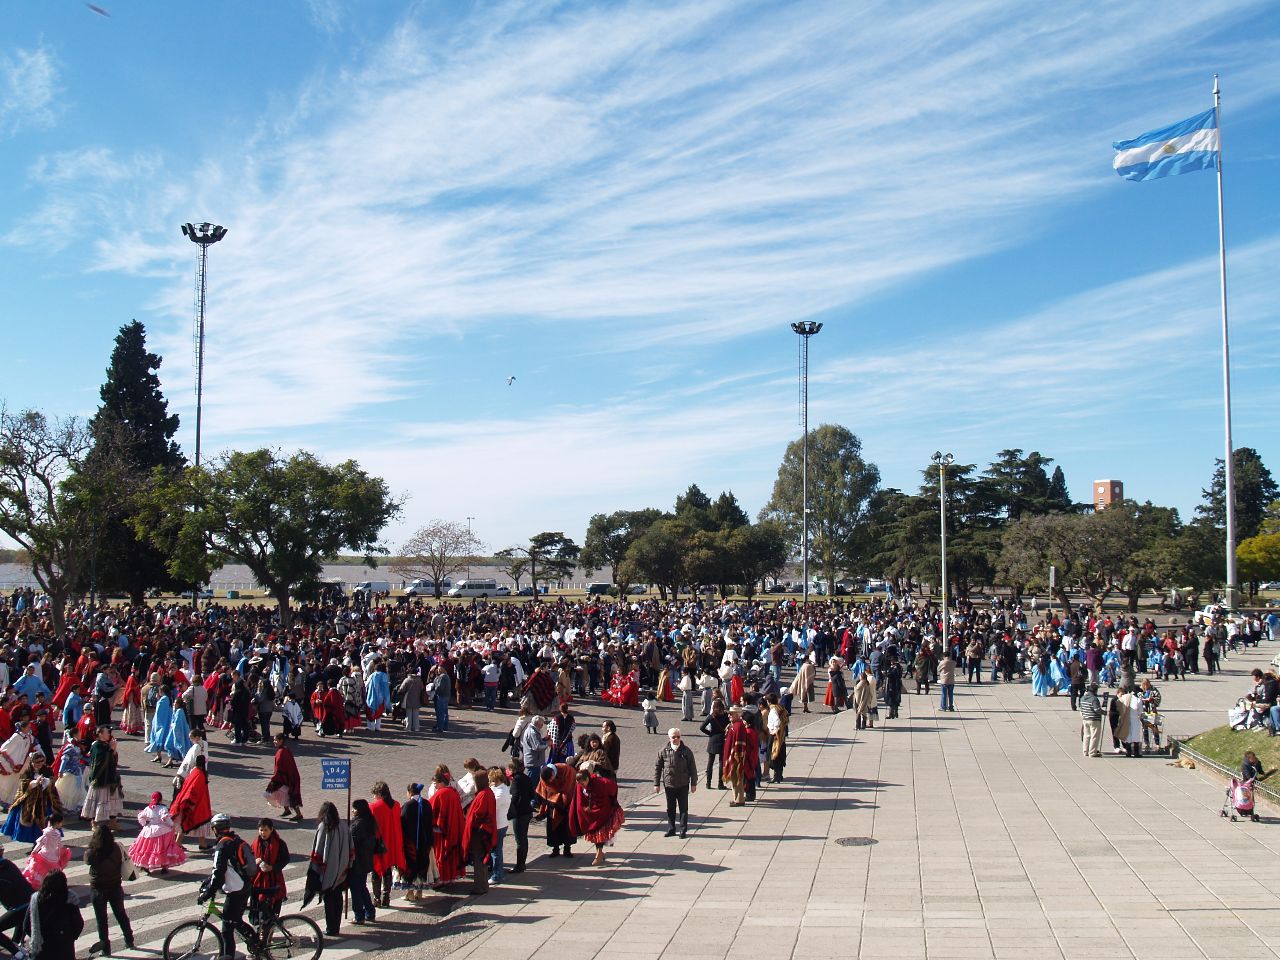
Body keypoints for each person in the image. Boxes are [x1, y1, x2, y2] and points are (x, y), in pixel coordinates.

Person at [199, 813, 257, 960]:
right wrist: (208, 881)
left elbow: (219, 872)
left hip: (236, 889)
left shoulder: (222, 845)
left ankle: (228, 957)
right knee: (236, 920)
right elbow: (226, 868)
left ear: (214, 829)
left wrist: (208, 892)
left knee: (226, 930)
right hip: (244, 885)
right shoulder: (235, 840)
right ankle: (257, 944)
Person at [83, 823, 134, 956]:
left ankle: (106, 948)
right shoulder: (117, 848)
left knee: (102, 920)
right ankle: (129, 939)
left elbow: (86, 860)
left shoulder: (92, 852)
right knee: (121, 914)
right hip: (115, 886)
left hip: (98, 889)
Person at [309, 802, 352, 937]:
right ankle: (336, 926)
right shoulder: (344, 826)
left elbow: (318, 851)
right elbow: (351, 848)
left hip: (326, 871)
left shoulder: (323, 827)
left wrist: (316, 870)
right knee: (338, 898)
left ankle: (330, 927)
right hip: (341, 870)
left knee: (329, 900)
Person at [1, 752, 60, 844]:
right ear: (32, 762)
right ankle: (36, 842)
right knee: (30, 819)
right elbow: (23, 786)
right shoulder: (27, 771)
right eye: (37, 762)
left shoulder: (47, 769)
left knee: (45, 820)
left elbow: (52, 781)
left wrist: (46, 781)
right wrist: (34, 783)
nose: (40, 763)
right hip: (30, 802)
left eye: (42, 761)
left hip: (44, 801)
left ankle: (45, 839)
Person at [24, 870, 83, 960]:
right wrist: (70, 938)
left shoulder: (36, 899)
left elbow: (26, 925)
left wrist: (38, 937)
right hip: (64, 946)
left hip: (43, 946)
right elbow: (78, 923)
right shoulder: (70, 899)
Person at [571, 769, 624, 866]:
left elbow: (613, 788)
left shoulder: (601, 782)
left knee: (600, 834)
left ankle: (599, 854)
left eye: (583, 783)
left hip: (603, 811)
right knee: (596, 835)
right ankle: (599, 853)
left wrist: (611, 802)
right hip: (591, 814)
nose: (582, 785)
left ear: (587, 779)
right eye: (580, 784)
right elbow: (579, 800)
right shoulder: (579, 786)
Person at [653, 727, 697, 836]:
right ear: (669, 738)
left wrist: (694, 783)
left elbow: (692, 768)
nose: (676, 739)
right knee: (670, 808)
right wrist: (656, 784)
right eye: (673, 737)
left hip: (683, 784)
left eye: (678, 737)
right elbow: (657, 768)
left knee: (683, 808)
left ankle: (683, 830)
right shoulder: (663, 751)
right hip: (669, 785)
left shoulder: (686, 751)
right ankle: (671, 828)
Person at [128, 792, 187, 874]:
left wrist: (145, 824)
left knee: (147, 848)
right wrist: (172, 825)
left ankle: (146, 865)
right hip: (162, 830)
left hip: (148, 830)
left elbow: (141, 817)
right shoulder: (162, 808)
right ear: (161, 799)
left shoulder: (148, 808)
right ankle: (164, 867)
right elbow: (166, 819)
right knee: (163, 848)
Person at [369, 781, 405, 908]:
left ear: (379, 793)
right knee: (388, 870)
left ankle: (376, 898)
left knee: (376, 871)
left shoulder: (373, 807)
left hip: (379, 843)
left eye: (375, 794)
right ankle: (386, 897)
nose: (374, 797)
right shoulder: (396, 805)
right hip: (392, 843)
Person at [427, 768, 465, 885]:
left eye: (435, 784)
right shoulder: (453, 792)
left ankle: (442, 879)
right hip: (454, 829)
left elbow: (431, 809)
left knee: (441, 856)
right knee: (452, 857)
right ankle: (451, 877)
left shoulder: (440, 794)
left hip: (442, 832)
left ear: (441, 782)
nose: (435, 786)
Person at [81, 726, 123, 827]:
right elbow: (99, 761)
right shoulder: (96, 745)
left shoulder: (105, 745)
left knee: (112, 801)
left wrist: (113, 750)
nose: (109, 733)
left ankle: (113, 822)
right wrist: (111, 749)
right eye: (106, 732)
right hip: (100, 779)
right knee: (99, 801)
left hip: (111, 777)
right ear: (100, 734)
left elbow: (113, 759)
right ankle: (94, 823)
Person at [462, 771, 496, 895]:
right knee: (481, 861)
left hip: (479, 833)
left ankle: (479, 887)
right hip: (483, 832)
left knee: (478, 860)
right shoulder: (487, 792)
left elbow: (479, 814)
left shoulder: (483, 794)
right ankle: (483, 885)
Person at [534, 763, 578, 858]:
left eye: (551, 779)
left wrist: (562, 799)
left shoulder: (566, 770)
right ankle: (555, 849)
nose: (550, 782)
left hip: (567, 803)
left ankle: (567, 849)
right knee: (553, 827)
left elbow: (570, 786)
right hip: (552, 804)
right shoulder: (544, 774)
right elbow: (543, 789)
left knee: (567, 827)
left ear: (553, 774)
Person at [172, 755, 214, 852]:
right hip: (196, 804)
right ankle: (201, 844)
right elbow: (193, 790)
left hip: (192, 803)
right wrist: (191, 803)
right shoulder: (200, 774)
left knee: (186, 823)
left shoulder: (194, 772)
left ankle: (180, 842)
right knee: (197, 823)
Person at [400, 783, 435, 900]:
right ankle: (419, 892)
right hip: (425, 841)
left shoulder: (407, 806)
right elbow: (430, 824)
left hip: (411, 843)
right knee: (422, 865)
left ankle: (409, 892)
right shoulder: (426, 804)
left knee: (411, 866)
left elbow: (402, 824)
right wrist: (430, 842)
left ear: (409, 792)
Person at [250, 818, 289, 921]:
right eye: (261, 830)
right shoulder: (255, 844)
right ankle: (261, 930)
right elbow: (249, 859)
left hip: (274, 879)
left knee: (273, 909)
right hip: (259, 881)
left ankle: (268, 930)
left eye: (266, 830)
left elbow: (285, 859)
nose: (263, 833)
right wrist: (255, 861)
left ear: (271, 830)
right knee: (259, 908)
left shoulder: (279, 843)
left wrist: (272, 867)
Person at [348, 799, 379, 925]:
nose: (352, 811)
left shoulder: (357, 825)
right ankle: (370, 912)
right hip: (366, 860)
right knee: (362, 887)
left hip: (357, 862)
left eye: (354, 809)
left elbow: (351, 843)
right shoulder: (370, 821)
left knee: (356, 889)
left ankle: (359, 915)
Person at [22, 813, 70, 889]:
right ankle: (50, 883)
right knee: (51, 870)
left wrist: (34, 851)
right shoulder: (56, 834)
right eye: (61, 822)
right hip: (53, 856)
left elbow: (40, 844)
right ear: (57, 823)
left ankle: (40, 882)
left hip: (44, 854)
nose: (61, 824)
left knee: (39, 870)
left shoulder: (47, 833)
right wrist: (63, 850)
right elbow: (60, 845)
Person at [722, 706, 758, 807]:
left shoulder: (738, 726)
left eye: (731, 714)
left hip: (736, 758)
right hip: (734, 757)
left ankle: (739, 800)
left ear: (737, 715)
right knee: (735, 780)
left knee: (737, 779)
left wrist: (736, 757)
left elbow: (739, 744)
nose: (729, 715)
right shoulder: (735, 725)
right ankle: (737, 798)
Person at [264, 734, 303, 821]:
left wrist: (274, 778)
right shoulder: (284, 750)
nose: (274, 742)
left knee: (291, 794)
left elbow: (280, 768)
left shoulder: (282, 752)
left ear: (281, 740)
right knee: (282, 793)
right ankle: (286, 810)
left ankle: (299, 814)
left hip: (287, 778)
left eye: (275, 740)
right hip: (286, 777)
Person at [505, 758, 535, 874]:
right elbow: (532, 794)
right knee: (524, 838)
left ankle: (520, 865)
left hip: (520, 813)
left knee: (520, 840)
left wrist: (511, 807)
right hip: (527, 811)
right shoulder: (526, 777)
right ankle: (522, 863)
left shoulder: (516, 780)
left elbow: (515, 796)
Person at [0, 844, 30, 955]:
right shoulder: (8, 863)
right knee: (20, 919)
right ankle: (17, 945)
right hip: (30, 902)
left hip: (19, 908)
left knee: (18, 916)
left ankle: (18, 954)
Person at [487, 768, 510, 884]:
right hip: (500, 823)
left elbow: (491, 805)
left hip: (499, 824)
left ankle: (497, 875)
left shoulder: (501, 793)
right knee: (495, 850)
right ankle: (497, 872)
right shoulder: (501, 788)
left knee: (496, 852)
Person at [698, 701, 728, 789]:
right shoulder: (725, 716)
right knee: (722, 762)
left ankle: (708, 783)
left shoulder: (712, 717)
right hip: (722, 739)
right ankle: (720, 783)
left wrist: (710, 733)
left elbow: (701, 727)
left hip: (713, 739)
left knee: (710, 762)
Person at [765, 694, 788, 784]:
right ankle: (779, 775)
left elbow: (777, 721)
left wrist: (775, 731)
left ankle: (776, 776)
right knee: (780, 754)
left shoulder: (773, 710)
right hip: (781, 735)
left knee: (774, 755)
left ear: (769, 702)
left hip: (775, 736)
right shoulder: (780, 707)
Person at [1079, 683, 1104, 758]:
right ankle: (1092, 752)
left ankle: (1085, 751)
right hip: (1094, 719)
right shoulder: (1094, 698)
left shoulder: (1082, 698)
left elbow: (1081, 708)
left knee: (1086, 735)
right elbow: (1097, 709)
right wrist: (1103, 712)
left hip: (1085, 719)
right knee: (1094, 736)